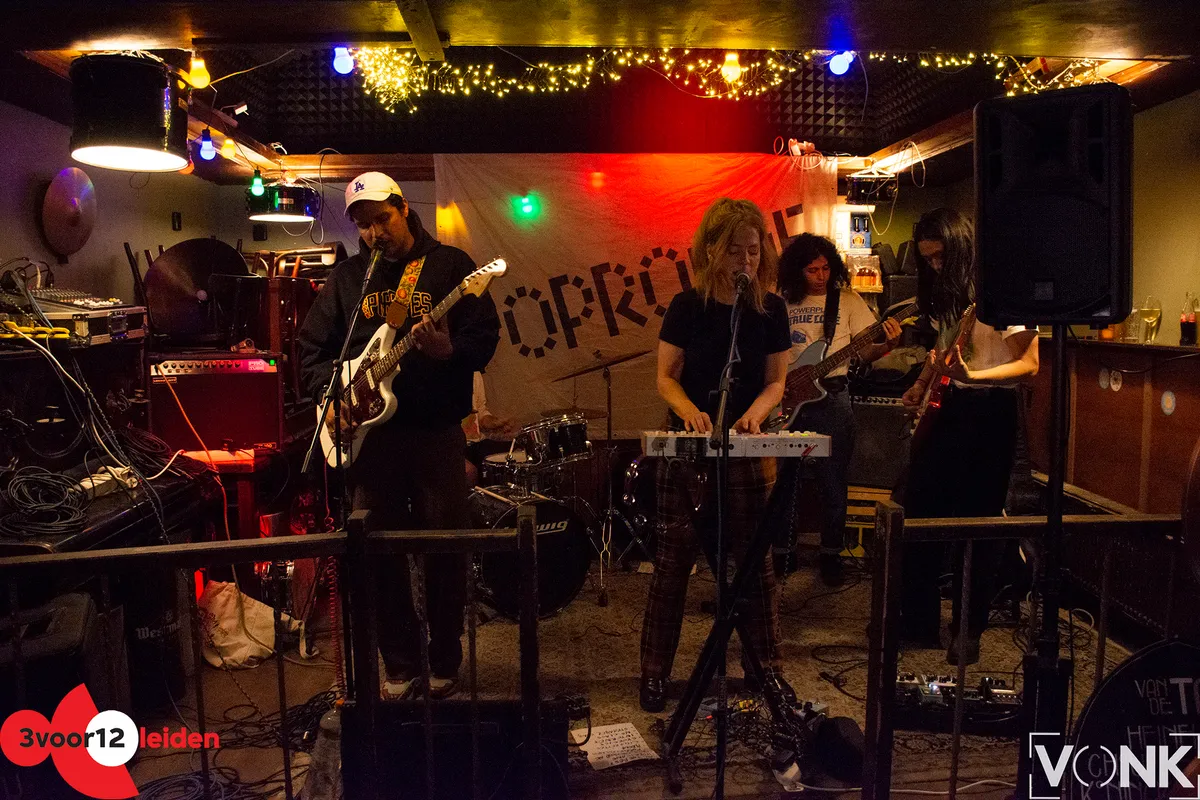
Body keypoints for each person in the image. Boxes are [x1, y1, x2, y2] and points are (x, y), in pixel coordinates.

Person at [298, 172, 500, 699]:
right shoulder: (348, 278)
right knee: (377, 551)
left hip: (434, 432)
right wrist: (334, 395)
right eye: (364, 226)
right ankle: (400, 660)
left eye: (382, 220)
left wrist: (449, 351)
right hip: (369, 441)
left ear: (403, 208)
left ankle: (445, 657)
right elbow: (311, 351)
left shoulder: (450, 267)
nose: (374, 234)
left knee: (444, 549)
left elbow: (485, 336)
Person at [639, 197, 793, 713]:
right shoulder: (687, 306)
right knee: (673, 561)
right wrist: (689, 412)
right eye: (734, 250)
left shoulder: (771, 309)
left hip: (748, 442)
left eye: (753, 250)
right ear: (711, 250)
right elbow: (666, 377)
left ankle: (766, 670)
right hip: (690, 445)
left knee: (756, 563)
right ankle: (655, 672)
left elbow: (776, 382)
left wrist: (754, 414)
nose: (745, 260)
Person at [897, 207, 1039, 666]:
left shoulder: (1002, 290)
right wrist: (922, 383)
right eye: (927, 260)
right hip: (952, 403)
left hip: (992, 410)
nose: (935, 266)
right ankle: (917, 620)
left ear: (961, 247)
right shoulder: (951, 295)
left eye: (940, 257)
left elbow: (1030, 364)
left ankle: (968, 629)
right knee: (920, 508)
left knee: (978, 521)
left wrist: (974, 375)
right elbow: (944, 350)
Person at [776, 233, 902, 586]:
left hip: (832, 397)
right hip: (786, 397)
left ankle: (831, 555)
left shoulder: (847, 300)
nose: (821, 276)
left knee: (834, 481)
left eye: (825, 268)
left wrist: (887, 345)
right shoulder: (780, 302)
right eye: (812, 270)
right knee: (785, 480)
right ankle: (783, 552)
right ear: (796, 271)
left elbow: (864, 352)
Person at [463, 371, 520, 487]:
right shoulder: (429, 372)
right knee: (468, 472)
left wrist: (490, 421)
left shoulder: (474, 373)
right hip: (448, 447)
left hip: (476, 444)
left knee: (517, 453)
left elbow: (480, 409)